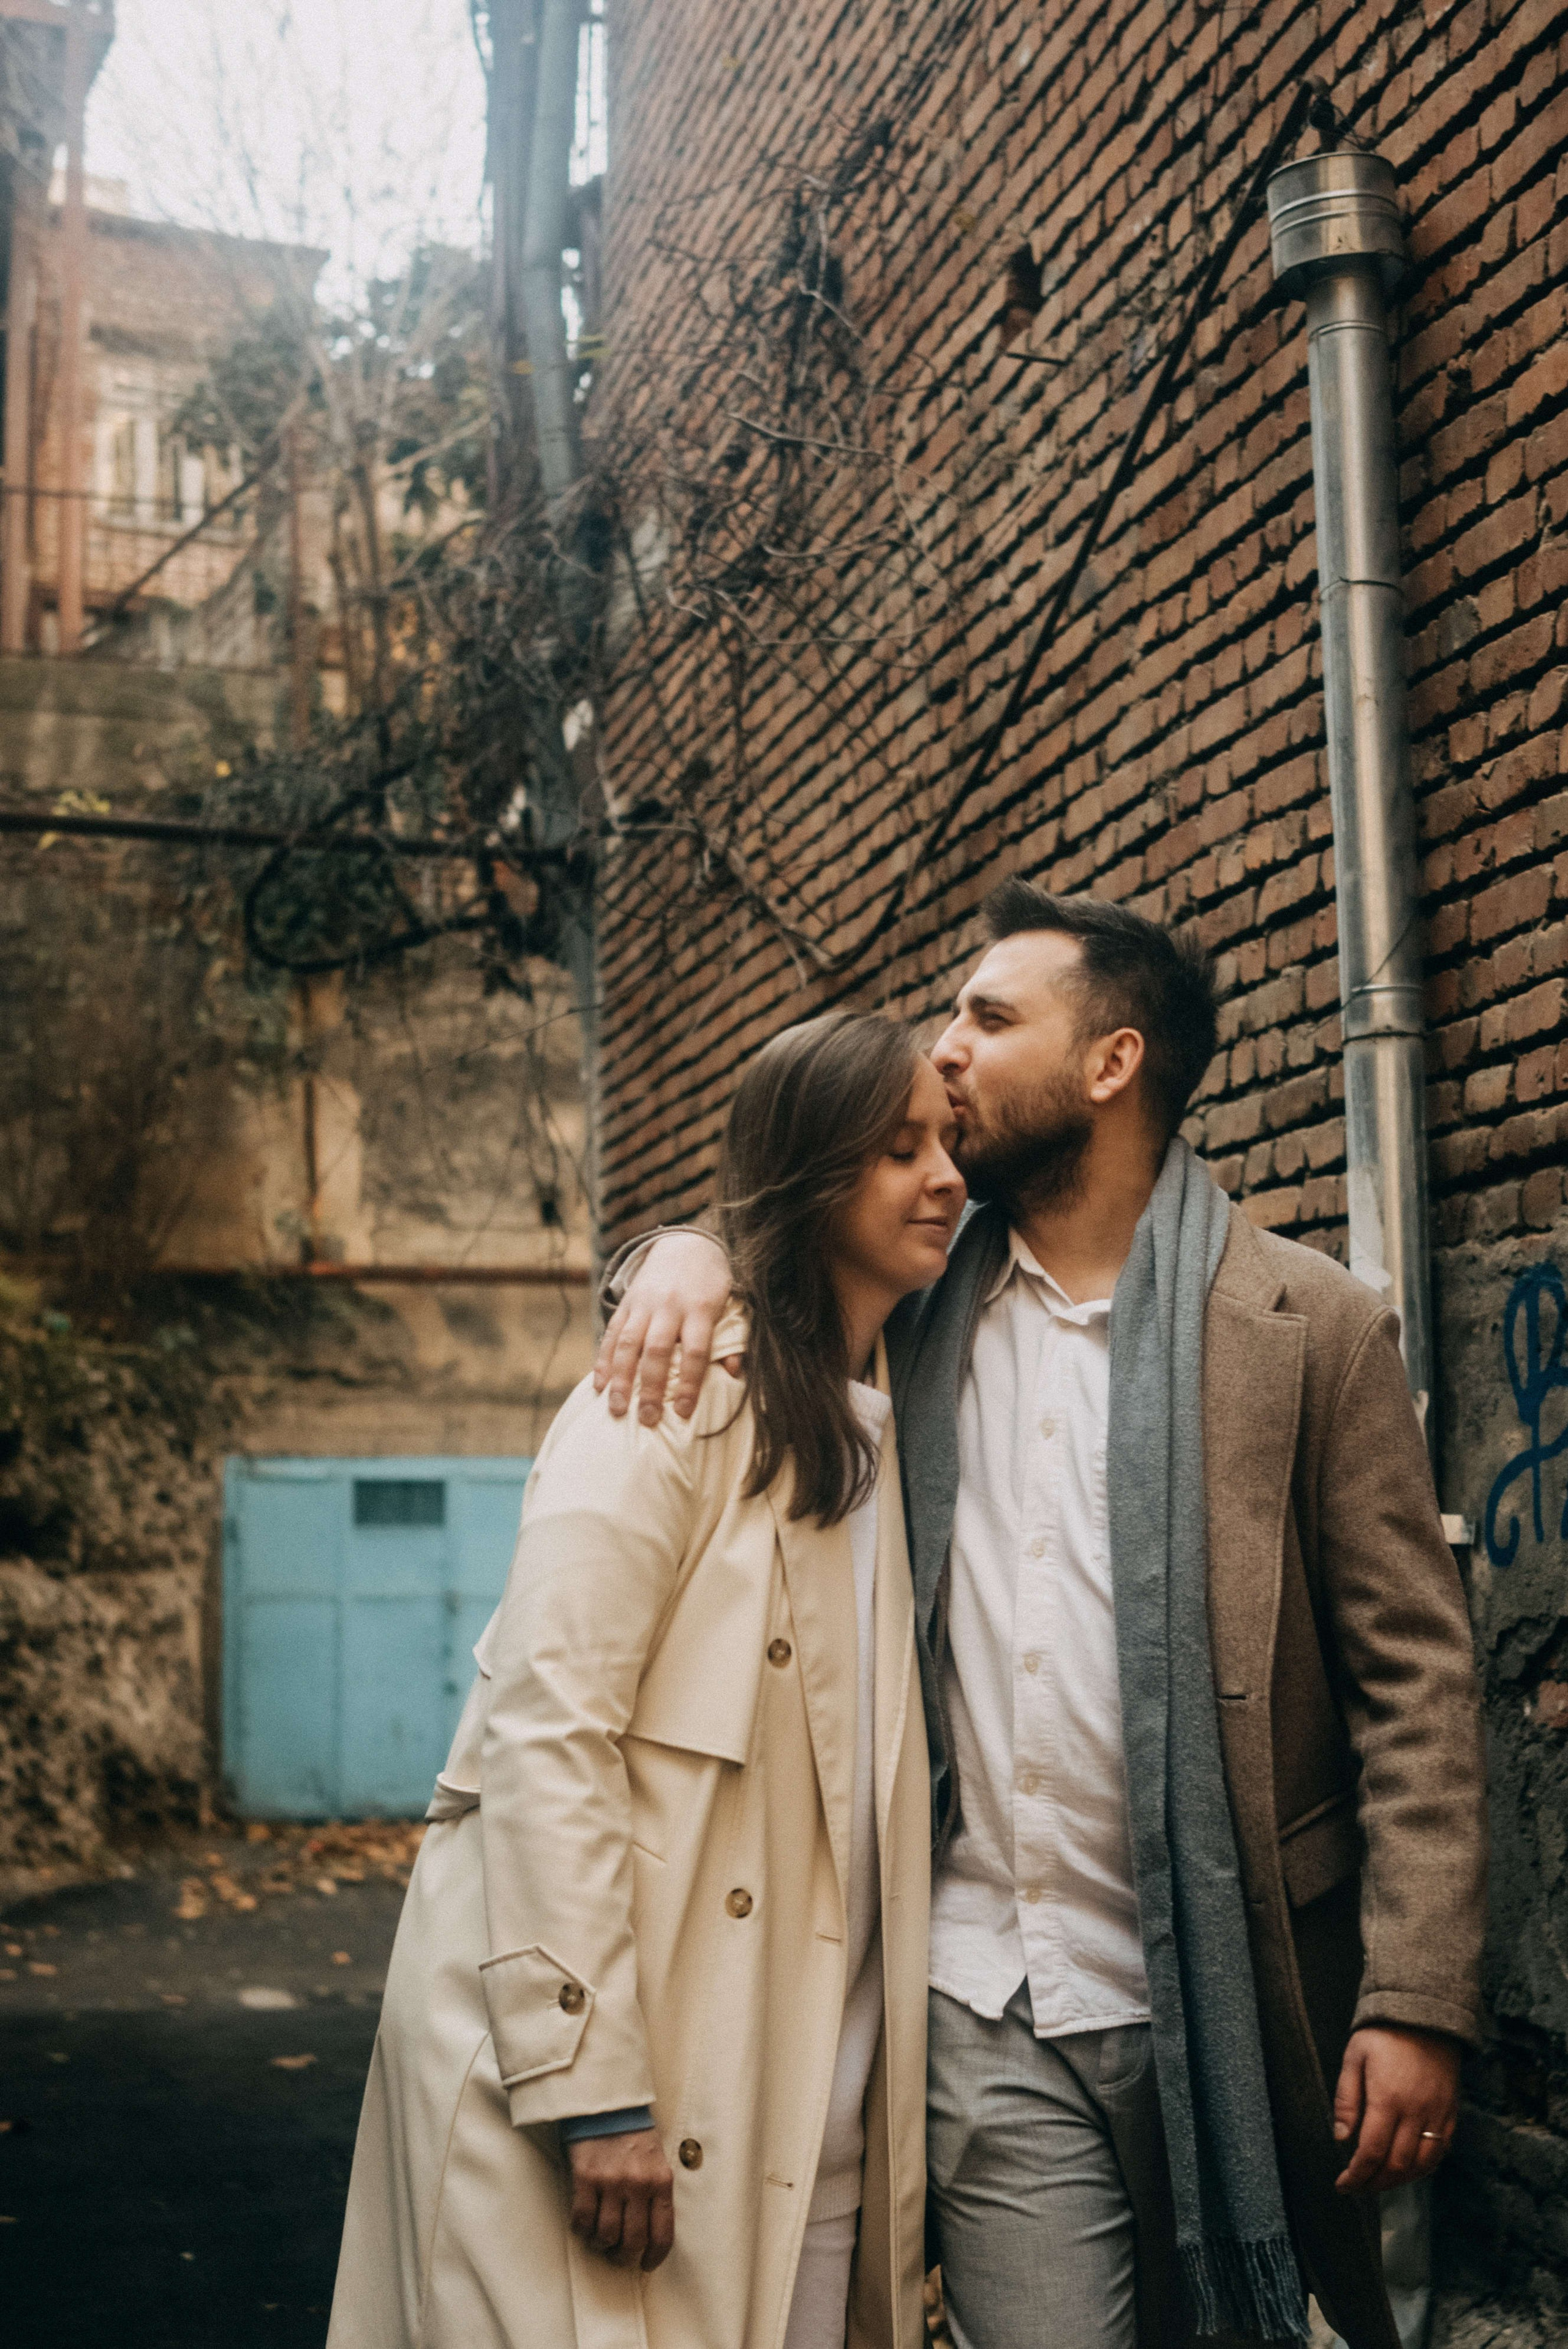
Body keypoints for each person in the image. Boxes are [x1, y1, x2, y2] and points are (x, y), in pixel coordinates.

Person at [595, 882, 1488, 2349]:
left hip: (1236, 1993)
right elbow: (768, 1253)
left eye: (987, 1017)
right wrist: (673, 1253)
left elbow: (1414, 1686)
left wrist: (1415, 1994)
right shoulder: (910, 1305)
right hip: (979, 1988)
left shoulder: (1309, 1326)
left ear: (1109, 1063)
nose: (942, 1047)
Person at [326, 1009, 963, 2349]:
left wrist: (676, 1250)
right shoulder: (665, 1398)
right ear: (811, 1173)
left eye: (948, 1142)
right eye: (899, 1148)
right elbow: (544, 1727)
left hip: (805, 2120)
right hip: (619, 2103)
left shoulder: (902, 1419)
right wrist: (589, 2082)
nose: (944, 1177)